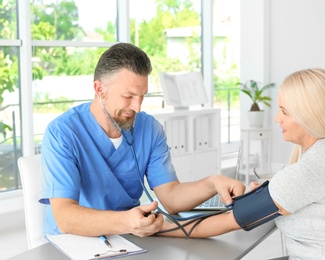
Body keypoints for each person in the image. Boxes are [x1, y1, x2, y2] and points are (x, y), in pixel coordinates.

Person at [159, 68, 325, 260]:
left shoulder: (309, 171)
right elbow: (308, 191)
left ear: (309, 116)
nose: (277, 119)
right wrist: (270, 193)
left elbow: (230, 221)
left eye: (285, 111)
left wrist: (161, 228)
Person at [39, 42, 245, 237]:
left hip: (130, 237)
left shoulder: (149, 129)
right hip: (73, 242)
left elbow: (171, 197)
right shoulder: (62, 133)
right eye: (128, 96)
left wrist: (212, 183)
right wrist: (127, 222)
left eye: (142, 96)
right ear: (100, 89)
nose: (137, 107)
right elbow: (65, 217)